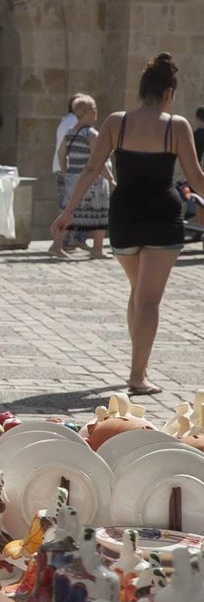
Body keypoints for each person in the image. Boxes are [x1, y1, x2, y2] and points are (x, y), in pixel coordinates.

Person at [52, 53, 204, 396]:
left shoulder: (115, 122)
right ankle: (138, 375)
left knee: (138, 292)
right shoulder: (176, 126)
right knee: (149, 300)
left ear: (142, 91)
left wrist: (67, 213)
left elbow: (91, 170)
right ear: (169, 94)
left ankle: (139, 365)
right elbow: (197, 180)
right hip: (163, 218)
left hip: (125, 216)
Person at [48, 94, 114, 260]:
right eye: (94, 109)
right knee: (99, 213)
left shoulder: (70, 133)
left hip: (73, 178)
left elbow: (61, 153)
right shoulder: (91, 134)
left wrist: (67, 172)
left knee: (69, 213)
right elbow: (98, 161)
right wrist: (111, 179)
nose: (97, 113)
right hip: (92, 181)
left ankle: (57, 245)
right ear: (86, 112)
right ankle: (97, 249)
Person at [53, 94, 88, 252]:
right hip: (70, 170)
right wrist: (68, 171)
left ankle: (66, 242)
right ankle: (61, 243)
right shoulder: (74, 123)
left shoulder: (66, 120)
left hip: (65, 169)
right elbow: (64, 150)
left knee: (68, 206)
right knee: (70, 207)